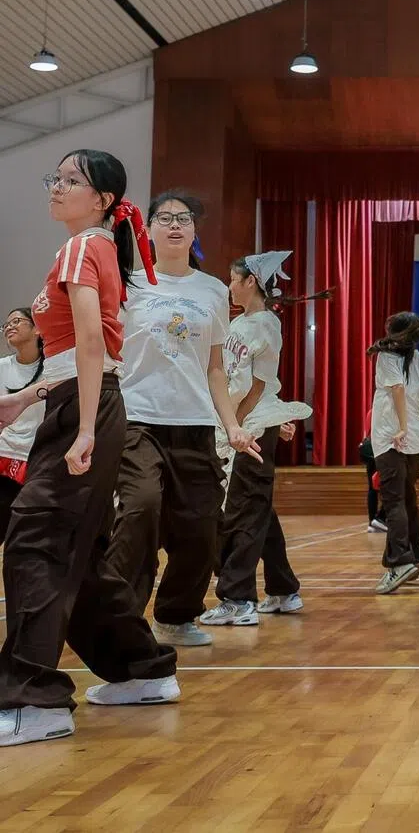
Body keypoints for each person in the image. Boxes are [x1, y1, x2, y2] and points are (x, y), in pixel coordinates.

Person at [0, 150, 179, 747]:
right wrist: (27, 399)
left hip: (85, 407)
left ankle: (34, 701)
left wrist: (82, 430)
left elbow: (90, 344)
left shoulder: (82, 247)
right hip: (79, 401)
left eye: (71, 180)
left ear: (102, 199)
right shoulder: (92, 246)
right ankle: (141, 670)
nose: (57, 187)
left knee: (36, 542)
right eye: (55, 178)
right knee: (80, 551)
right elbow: (78, 354)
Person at [105, 191, 260, 649]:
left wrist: (232, 425)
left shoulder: (212, 291)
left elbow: (215, 368)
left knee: (202, 526)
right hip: (137, 418)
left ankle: (175, 615)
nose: (175, 224)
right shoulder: (128, 285)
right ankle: (117, 617)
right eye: (165, 217)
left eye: (184, 218)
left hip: (194, 423)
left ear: (194, 232)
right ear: (148, 230)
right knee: (140, 507)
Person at [202, 252, 315, 626]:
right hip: (243, 422)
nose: (229, 286)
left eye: (233, 279)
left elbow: (259, 384)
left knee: (242, 511)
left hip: (250, 427)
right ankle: (283, 589)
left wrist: (237, 424)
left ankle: (238, 598)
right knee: (258, 508)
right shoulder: (239, 323)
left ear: (250, 281)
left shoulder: (266, 324)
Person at [370, 312, 419, 594]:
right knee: (407, 498)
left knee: (394, 501)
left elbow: (398, 390)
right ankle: (413, 554)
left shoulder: (387, 357)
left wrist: (401, 427)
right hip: (415, 439)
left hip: (391, 437)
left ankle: (400, 562)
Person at [0, 308, 46, 539]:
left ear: (37, 328)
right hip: (3, 453)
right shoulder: (2, 366)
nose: (9, 326)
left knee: (27, 536)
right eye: (6, 324)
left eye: (16, 321)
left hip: (39, 460)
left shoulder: (54, 369)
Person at [360, 409, 386, 534]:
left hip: (369, 451)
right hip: (381, 451)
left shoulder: (371, 412)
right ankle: (380, 518)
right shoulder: (385, 411)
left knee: (372, 488)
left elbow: (367, 432)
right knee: (390, 486)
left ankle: (372, 522)